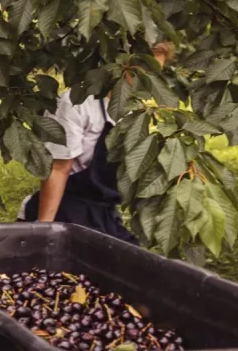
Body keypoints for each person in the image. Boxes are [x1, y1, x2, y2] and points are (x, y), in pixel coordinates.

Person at [18, 41, 175, 243]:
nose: (148, 81)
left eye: (156, 74)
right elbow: (58, 169)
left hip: (104, 214)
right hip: (66, 209)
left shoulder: (134, 111)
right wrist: (44, 228)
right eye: (143, 71)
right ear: (121, 64)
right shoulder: (78, 103)